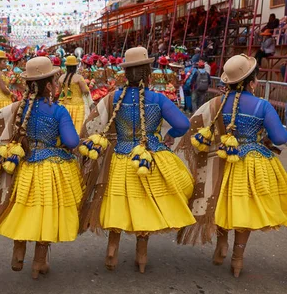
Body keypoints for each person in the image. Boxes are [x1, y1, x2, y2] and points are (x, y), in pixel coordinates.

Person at [80, 47, 194, 273]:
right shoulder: (158, 99)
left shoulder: (112, 98)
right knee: (146, 204)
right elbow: (183, 124)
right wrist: (169, 136)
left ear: (125, 75)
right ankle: (141, 256)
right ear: (149, 75)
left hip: (120, 156)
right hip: (149, 158)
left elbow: (91, 125)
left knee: (118, 203)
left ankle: (112, 250)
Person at [0, 56, 83, 280]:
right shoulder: (58, 111)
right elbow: (72, 142)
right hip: (52, 168)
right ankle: (39, 262)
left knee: (24, 209)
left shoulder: (20, 108)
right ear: (50, 85)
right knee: (46, 213)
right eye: (55, 80)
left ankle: (19, 251)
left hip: (26, 165)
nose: (57, 84)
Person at [178, 54, 287, 278]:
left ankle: (222, 243)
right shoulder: (262, 106)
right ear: (252, 82)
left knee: (223, 204)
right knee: (243, 210)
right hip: (253, 163)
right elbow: (279, 136)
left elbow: (193, 126)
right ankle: (238, 257)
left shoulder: (216, 104)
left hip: (222, 159)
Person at [57, 55, 93, 133]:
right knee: (77, 129)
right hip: (78, 106)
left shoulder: (61, 78)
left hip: (63, 105)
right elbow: (85, 90)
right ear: (75, 67)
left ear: (66, 67)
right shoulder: (79, 78)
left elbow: (59, 92)